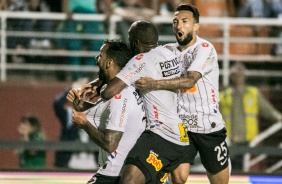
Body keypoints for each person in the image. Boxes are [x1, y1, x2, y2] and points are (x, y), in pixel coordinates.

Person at [135, 4, 230, 184]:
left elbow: (189, 81)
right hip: (182, 126)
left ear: (196, 26)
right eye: (175, 22)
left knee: (220, 181)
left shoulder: (205, 48)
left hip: (208, 125)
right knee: (179, 178)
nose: (179, 26)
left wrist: (153, 84)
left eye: (185, 21)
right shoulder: (167, 52)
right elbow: (139, 64)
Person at [99, 20, 196, 184]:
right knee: (175, 180)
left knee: (128, 180)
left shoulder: (140, 59)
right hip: (182, 136)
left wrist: (100, 87)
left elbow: (109, 92)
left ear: (135, 42)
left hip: (161, 133)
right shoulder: (170, 53)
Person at [67, 39, 146, 183]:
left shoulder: (119, 96)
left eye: (100, 55)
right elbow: (106, 116)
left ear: (109, 63)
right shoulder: (116, 90)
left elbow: (110, 144)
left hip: (114, 173)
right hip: (118, 171)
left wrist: (84, 123)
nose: (97, 59)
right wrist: (81, 107)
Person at [219, 62, 282, 171]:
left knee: (242, 169)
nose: (238, 77)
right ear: (231, 76)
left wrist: (279, 117)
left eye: (240, 74)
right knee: (227, 170)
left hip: (248, 141)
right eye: (235, 74)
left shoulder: (253, 93)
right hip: (228, 140)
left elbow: (269, 111)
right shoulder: (223, 96)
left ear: (244, 76)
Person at [53, 78, 98, 170]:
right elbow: (57, 104)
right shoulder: (70, 115)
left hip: (93, 164)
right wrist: (71, 90)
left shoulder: (96, 115)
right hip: (71, 164)